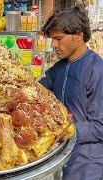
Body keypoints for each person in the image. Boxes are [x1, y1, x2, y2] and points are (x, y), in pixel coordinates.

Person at [39, 6, 103, 180]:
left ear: (78, 36)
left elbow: (100, 127)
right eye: (52, 39)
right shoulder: (60, 68)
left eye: (58, 39)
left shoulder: (97, 70)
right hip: (63, 156)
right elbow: (38, 90)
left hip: (87, 163)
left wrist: (63, 130)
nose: (53, 45)